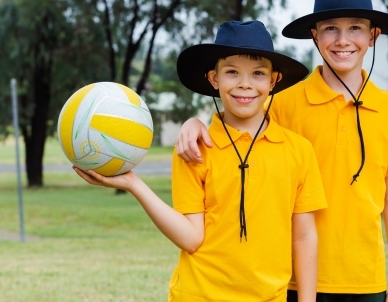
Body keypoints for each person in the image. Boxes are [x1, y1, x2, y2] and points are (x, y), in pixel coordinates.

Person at [175, 0, 388, 302]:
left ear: (373, 36)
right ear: (315, 35)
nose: (343, 40)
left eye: (356, 28)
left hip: (366, 278)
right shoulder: (283, 103)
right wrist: (195, 122)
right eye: (331, 28)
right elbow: (237, 111)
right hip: (294, 279)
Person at [74, 20, 327, 302]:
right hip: (197, 294)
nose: (245, 84)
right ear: (214, 79)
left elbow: (304, 237)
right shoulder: (193, 148)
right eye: (232, 72)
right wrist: (134, 184)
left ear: (273, 80)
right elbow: (192, 238)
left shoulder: (299, 150)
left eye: (258, 73)